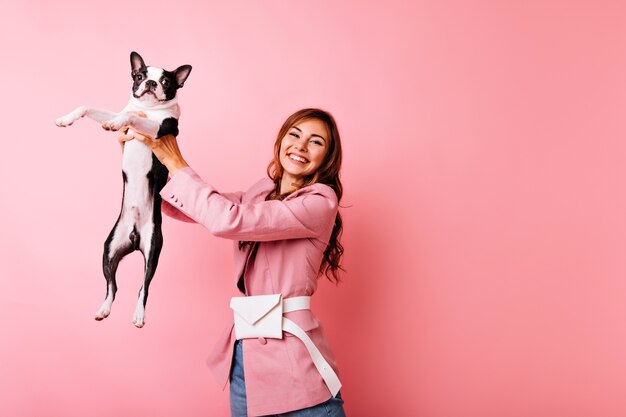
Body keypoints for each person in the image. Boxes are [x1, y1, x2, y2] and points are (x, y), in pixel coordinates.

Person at [117, 108, 347, 417]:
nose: (301, 146)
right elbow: (190, 206)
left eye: (315, 141)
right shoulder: (259, 193)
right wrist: (140, 154)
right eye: (294, 134)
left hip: (297, 367)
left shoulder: (319, 202)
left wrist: (177, 161)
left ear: (328, 157)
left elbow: (225, 219)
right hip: (245, 362)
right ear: (280, 141)